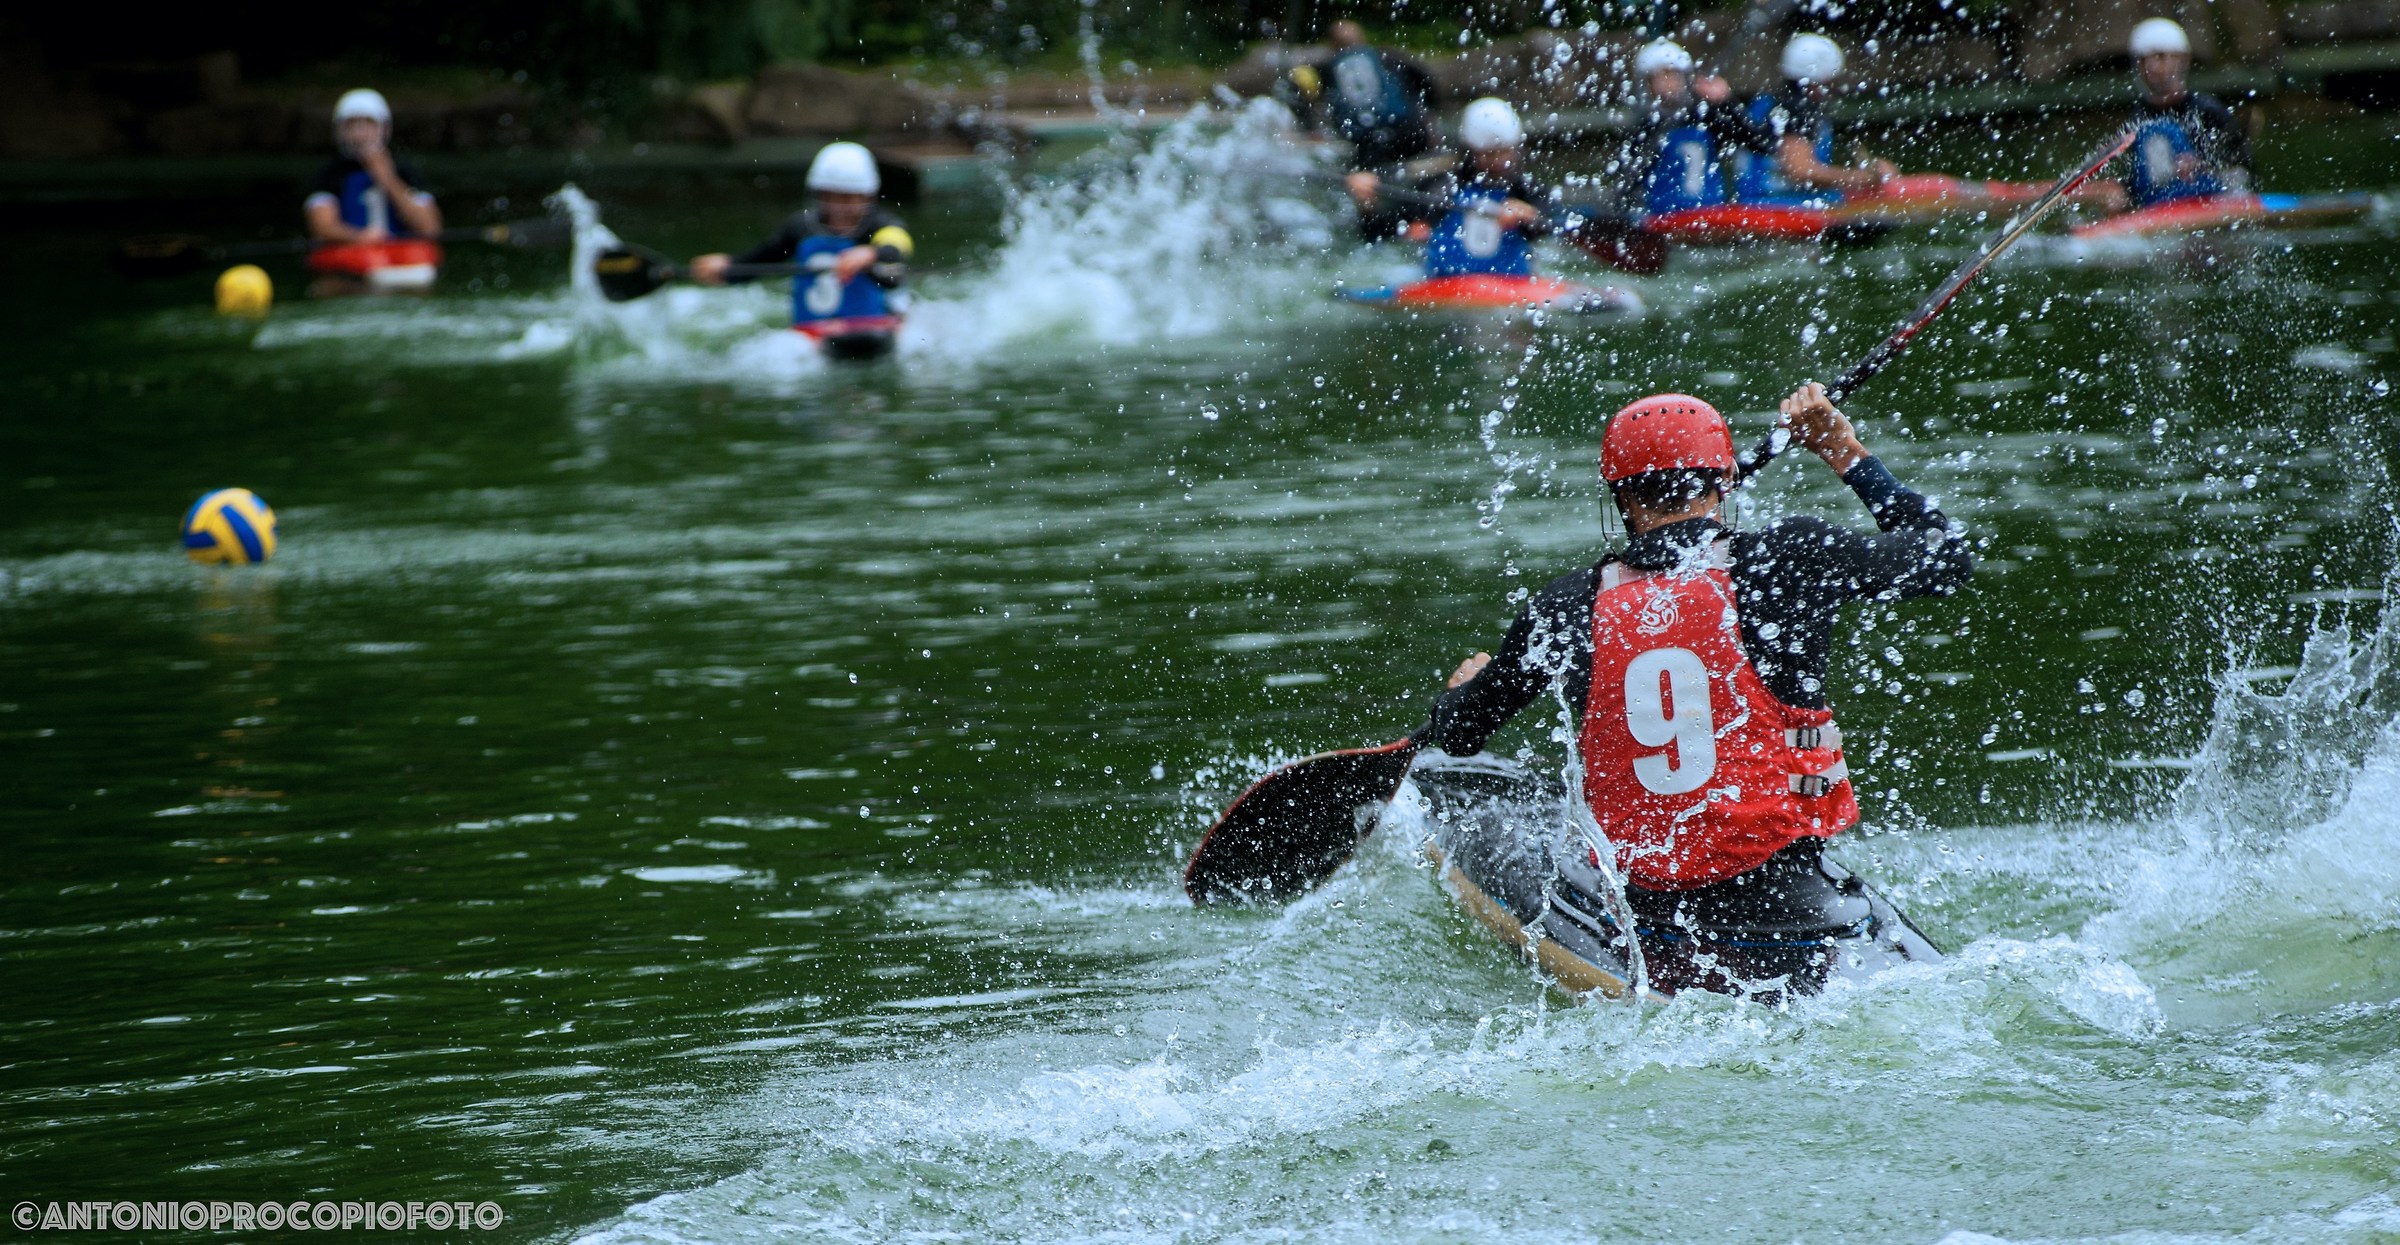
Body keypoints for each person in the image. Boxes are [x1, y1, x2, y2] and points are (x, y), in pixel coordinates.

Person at [1419, 384, 1973, 992]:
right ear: (1723, 484)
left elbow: (1461, 734)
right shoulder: (1789, 559)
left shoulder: (1566, 605)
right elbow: (1944, 559)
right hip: (1797, 912)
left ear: (1622, 497)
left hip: (1652, 922)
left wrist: (1465, 689)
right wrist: (1845, 452)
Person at [690, 142, 912, 334]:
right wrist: (728, 269)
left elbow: (898, 245)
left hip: (874, 324)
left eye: (847, 198)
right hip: (813, 328)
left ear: (866, 196)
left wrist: (870, 253)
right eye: (829, 196)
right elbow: (763, 261)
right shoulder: (800, 228)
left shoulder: (881, 225)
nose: (838, 206)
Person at [1344, 97, 1559, 273]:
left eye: (1505, 151)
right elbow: (1379, 232)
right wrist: (1367, 204)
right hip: (1446, 288)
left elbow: (1553, 226)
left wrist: (1529, 215)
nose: (1499, 161)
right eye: (1489, 154)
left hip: (1512, 288)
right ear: (1471, 152)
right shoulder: (1443, 188)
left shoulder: (1527, 190)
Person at [1732, 34, 1899, 205]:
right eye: (1831, 80)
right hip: (1781, 206)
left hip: (1753, 202)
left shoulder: (1766, 102)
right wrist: (1863, 177)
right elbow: (1800, 170)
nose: (1833, 86)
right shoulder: (1798, 108)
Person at [1617, 40, 1772, 218]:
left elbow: (1761, 144)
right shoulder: (1645, 129)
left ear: (1684, 78)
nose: (1665, 83)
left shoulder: (1708, 116)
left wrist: (1727, 102)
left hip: (1710, 216)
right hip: (1662, 216)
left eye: (1670, 74)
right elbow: (1627, 186)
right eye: (1656, 77)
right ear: (1646, 85)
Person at [2117, 17, 2253, 209]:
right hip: (2158, 210)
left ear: (2183, 60)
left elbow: (2242, 166)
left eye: (2164, 57)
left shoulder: (2207, 110)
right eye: (2150, 59)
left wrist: (2202, 164)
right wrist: (2121, 197)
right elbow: (2133, 180)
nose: (2156, 67)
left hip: (2209, 203)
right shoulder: (2137, 119)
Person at [1287, 20, 1442, 173]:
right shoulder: (1386, 57)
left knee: (1367, 174)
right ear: (1362, 39)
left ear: (1332, 45)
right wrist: (1431, 119)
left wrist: (1309, 128)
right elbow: (1425, 83)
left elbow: (1299, 93)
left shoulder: (1327, 67)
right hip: (1410, 131)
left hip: (1368, 143)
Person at [304, 89, 441, 244]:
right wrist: (361, 237)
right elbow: (322, 227)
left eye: (368, 125)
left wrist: (387, 178)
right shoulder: (330, 174)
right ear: (339, 130)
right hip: (351, 256)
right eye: (352, 125)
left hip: (401, 256)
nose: (360, 134)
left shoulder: (405, 171)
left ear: (384, 128)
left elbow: (429, 228)